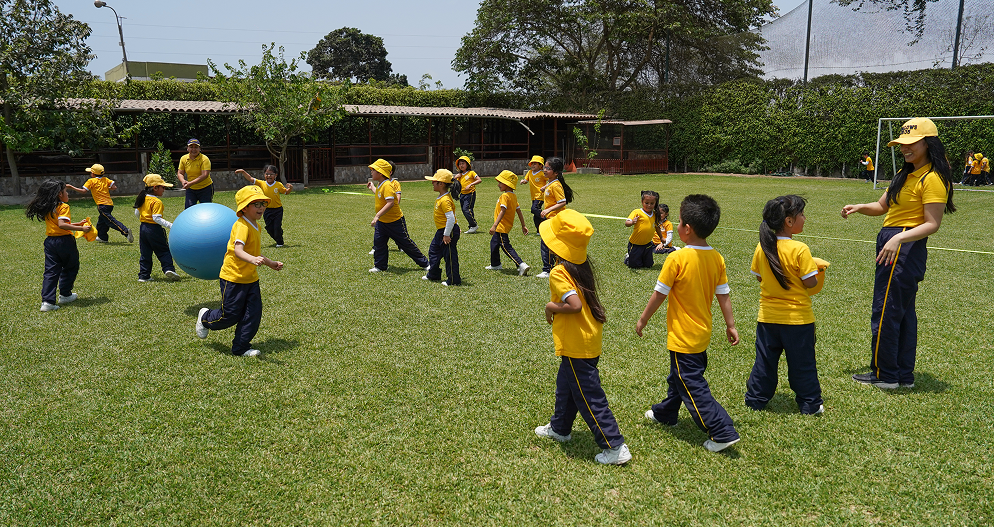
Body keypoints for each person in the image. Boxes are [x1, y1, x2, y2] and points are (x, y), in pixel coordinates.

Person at [842, 117, 956, 389]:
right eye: (902, 144)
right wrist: (860, 207)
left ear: (928, 144)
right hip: (894, 240)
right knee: (901, 312)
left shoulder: (932, 178)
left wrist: (899, 239)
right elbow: (882, 207)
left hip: (904, 245)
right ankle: (902, 375)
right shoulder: (904, 175)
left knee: (886, 310)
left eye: (911, 143)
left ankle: (885, 375)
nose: (904, 148)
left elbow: (932, 224)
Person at [635, 194, 741, 453]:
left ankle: (722, 430)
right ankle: (666, 413)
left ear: (687, 229)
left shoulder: (676, 259)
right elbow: (724, 295)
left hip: (683, 337)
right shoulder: (716, 257)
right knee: (679, 377)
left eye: (680, 221)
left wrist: (643, 319)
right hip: (702, 334)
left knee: (690, 381)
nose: (677, 225)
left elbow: (659, 295)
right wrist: (731, 325)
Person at [533, 209, 631, 465]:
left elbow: (574, 305)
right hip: (588, 339)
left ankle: (614, 446)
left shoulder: (559, 272)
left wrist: (550, 307)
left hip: (576, 344)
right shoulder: (581, 265)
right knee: (566, 386)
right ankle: (560, 428)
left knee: (589, 396)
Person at [744, 195, 828, 415]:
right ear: (789, 221)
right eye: (802, 214)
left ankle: (755, 400)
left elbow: (759, 277)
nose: (805, 218)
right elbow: (810, 283)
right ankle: (810, 403)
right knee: (802, 364)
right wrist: (817, 268)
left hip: (767, 319)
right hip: (798, 320)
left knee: (764, 362)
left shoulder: (762, 247)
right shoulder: (800, 249)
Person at [195, 186, 284, 357]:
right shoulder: (242, 226)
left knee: (253, 314)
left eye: (263, 203)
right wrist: (252, 260)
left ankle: (241, 348)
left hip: (251, 279)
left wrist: (270, 263)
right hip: (233, 278)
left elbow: (255, 253)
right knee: (229, 315)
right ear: (244, 207)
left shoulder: (256, 226)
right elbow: (238, 251)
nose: (261, 207)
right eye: (256, 204)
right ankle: (205, 317)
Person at [25, 180, 92, 312]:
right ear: (60, 194)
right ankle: (65, 295)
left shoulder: (48, 207)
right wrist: (82, 229)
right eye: (66, 191)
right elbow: (62, 225)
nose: (68, 194)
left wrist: (77, 224)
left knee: (51, 271)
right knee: (71, 266)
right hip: (64, 242)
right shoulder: (63, 207)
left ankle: (47, 302)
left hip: (50, 242)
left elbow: (57, 224)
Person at [368, 159, 429, 273]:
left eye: (373, 170)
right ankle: (380, 266)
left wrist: (377, 216)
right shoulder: (381, 184)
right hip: (383, 222)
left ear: (380, 173)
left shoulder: (387, 185)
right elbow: (381, 196)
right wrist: (372, 188)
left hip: (395, 222)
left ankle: (425, 263)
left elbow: (390, 203)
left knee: (406, 243)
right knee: (379, 243)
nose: (371, 172)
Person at [67, 163, 133, 243]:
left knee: (110, 221)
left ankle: (126, 232)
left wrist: (71, 187)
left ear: (93, 174)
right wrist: (104, 188)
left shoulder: (91, 181)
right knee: (102, 222)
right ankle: (102, 237)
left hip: (102, 205)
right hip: (109, 204)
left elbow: (83, 191)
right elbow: (114, 187)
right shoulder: (105, 179)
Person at [133, 174, 181, 283]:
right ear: (155, 188)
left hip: (143, 228)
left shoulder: (142, 198)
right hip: (154, 229)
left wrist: (144, 220)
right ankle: (168, 269)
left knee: (145, 253)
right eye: (163, 187)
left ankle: (144, 276)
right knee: (163, 250)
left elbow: (137, 212)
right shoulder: (156, 202)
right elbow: (156, 218)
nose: (164, 189)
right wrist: (171, 226)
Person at [485, 170, 530, 276]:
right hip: (505, 226)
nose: (498, 185)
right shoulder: (513, 196)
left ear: (507, 184)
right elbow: (519, 211)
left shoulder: (505, 196)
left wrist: (494, 225)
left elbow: (503, 210)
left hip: (501, 227)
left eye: (500, 182)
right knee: (494, 244)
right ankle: (495, 264)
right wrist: (523, 225)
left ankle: (521, 264)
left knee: (506, 247)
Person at [535, 157, 574, 279]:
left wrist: (548, 210)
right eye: (545, 167)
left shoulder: (556, 186)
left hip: (554, 219)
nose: (545, 170)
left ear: (556, 172)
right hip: (550, 219)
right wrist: (545, 187)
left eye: (548, 168)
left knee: (546, 243)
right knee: (551, 244)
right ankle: (558, 266)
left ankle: (548, 269)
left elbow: (562, 202)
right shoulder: (551, 183)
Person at [236, 166, 293, 247]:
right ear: (264, 175)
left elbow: (286, 192)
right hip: (266, 210)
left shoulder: (278, 184)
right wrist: (243, 172)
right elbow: (251, 179)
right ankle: (278, 236)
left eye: (271, 174)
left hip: (278, 210)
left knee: (277, 226)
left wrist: (290, 188)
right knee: (269, 228)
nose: (269, 176)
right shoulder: (261, 183)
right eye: (267, 174)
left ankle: (280, 242)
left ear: (276, 175)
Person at [423, 169, 462, 286]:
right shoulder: (442, 197)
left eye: (434, 181)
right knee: (433, 251)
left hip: (447, 231)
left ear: (441, 184)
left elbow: (450, 218)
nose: (432, 183)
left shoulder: (445, 200)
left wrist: (447, 234)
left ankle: (454, 280)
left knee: (449, 255)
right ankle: (433, 274)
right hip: (442, 230)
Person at [624, 190, 664, 268]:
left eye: (652, 203)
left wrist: (661, 237)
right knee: (635, 266)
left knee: (649, 265)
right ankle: (628, 258)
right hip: (636, 244)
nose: (649, 205)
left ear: (655, 203)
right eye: (646, 203)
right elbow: (627, 223)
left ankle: (639, 258)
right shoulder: (637, 212)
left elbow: (657, 227)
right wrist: (632, 222)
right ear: (642, 202)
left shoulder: (655, 215)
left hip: (647, 244)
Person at [176, 138, 213, 208]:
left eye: (196, 147)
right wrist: (183, 181)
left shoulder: (205, 159)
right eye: (191, 147)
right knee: (189, 209)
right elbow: (180, 173)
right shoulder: (183, 158)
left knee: (206, 209)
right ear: (187, 148)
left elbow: (205, 175)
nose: (193, 149)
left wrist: (190, 183)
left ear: (199, 149)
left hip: (205, 188)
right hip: (191, 189)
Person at [454, 155, 482, 233]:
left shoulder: (471, 173)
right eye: (460, 164)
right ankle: (472, 227)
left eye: (463, 163)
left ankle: (474, 225)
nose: (461, 165)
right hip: (462, 194)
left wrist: (470, 184)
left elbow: (479, 180)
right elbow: (454, 183)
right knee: (466, 210)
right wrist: (455, 177)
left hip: (470, 193)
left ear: (467, 165)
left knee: (466, 209)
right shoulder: (459, 175)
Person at [519, 155, 547, 233]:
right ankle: (539, 230)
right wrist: (523, 181)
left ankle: (546, 219)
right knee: (535, 215)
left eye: (535, 164)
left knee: (534, 209)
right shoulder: (529, 172)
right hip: (533, 196)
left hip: (540, 195)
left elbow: (551, 180)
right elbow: (526, 180)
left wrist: (545, 187)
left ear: (540, 165)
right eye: (532, 163)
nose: (533, 165)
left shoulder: (542, 174)